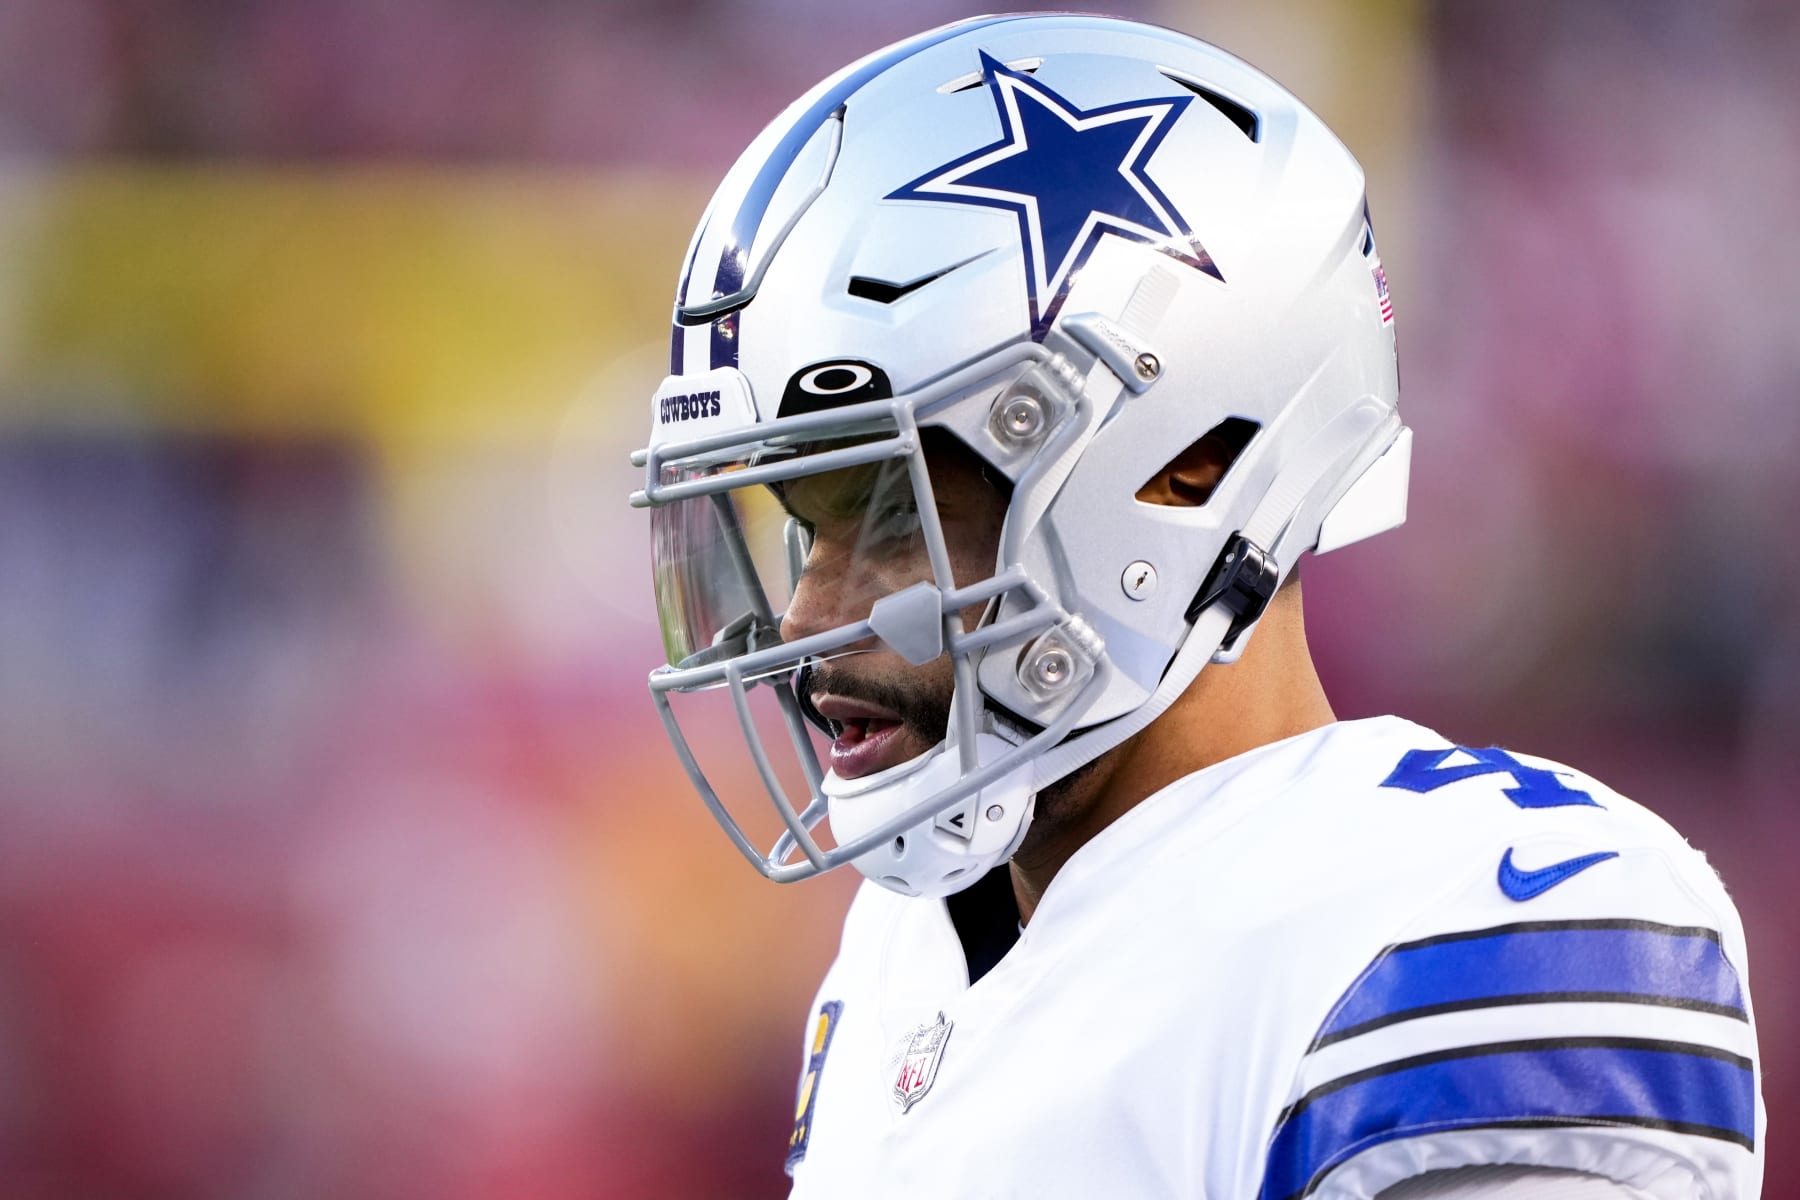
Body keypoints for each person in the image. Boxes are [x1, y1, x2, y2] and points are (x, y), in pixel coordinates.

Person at [629, 13, 1762, 1198]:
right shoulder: (901, 955)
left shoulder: (1476, 917)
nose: (810, 622)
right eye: (807, 525)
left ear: (1185, 469)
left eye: (899, 514)